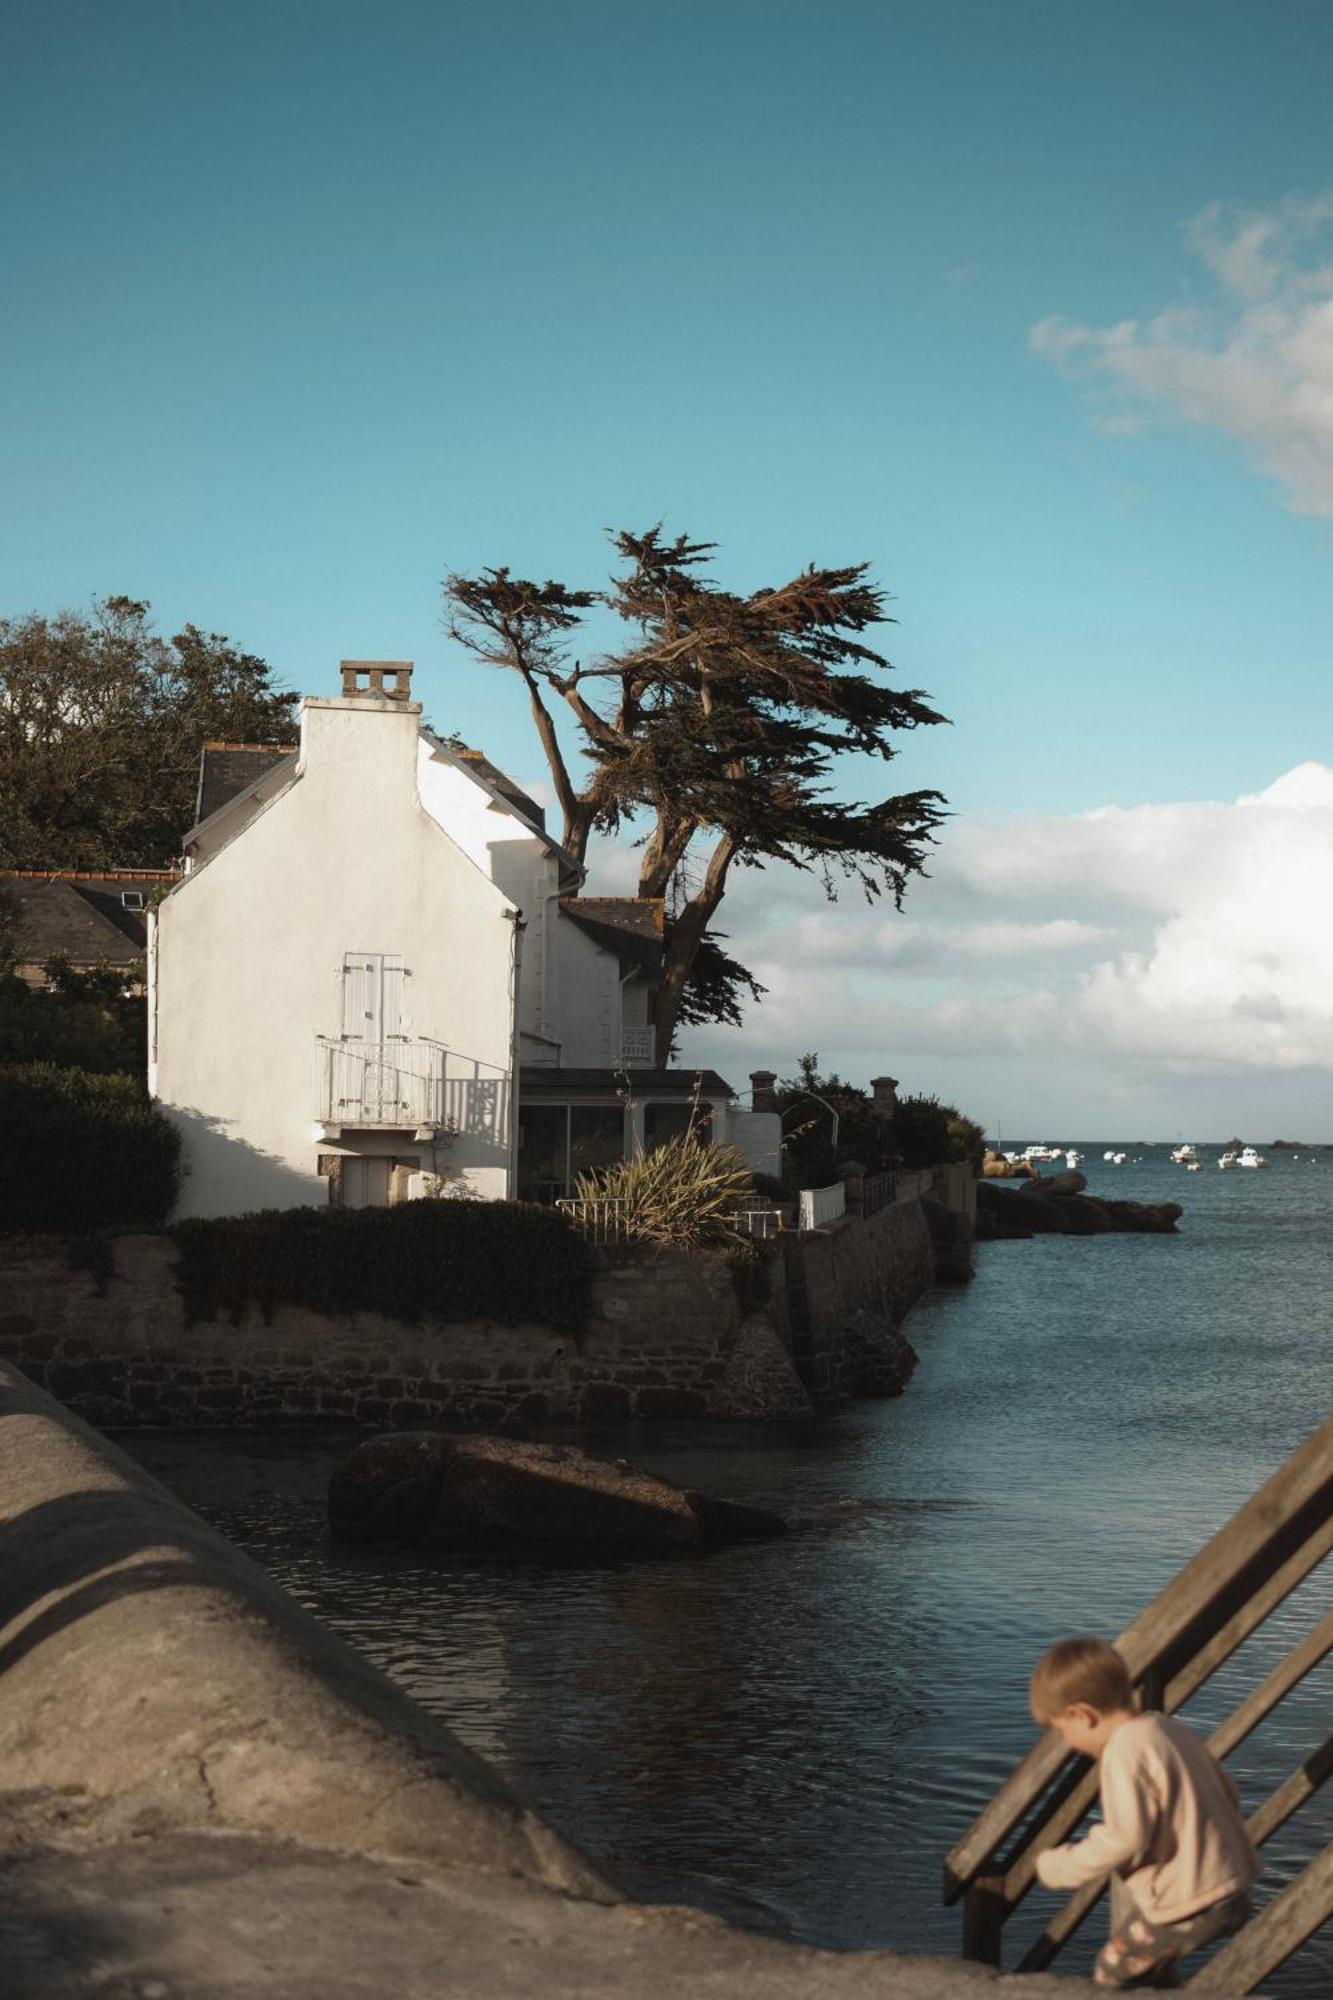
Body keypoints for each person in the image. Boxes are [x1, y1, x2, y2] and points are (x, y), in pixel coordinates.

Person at [1029, 1636, 1259, 1989]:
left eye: (1063, 1730)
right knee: (1149, 1969)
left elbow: (1125, 1837)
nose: (1067, 1743)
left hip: (1194, 1902)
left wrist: (1059, 1867)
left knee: (1113, 1969)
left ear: (1083, 1714)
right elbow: (1229, 1792)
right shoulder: (1166, 1728)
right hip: (1235, 1886)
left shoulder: (1123, 1751)